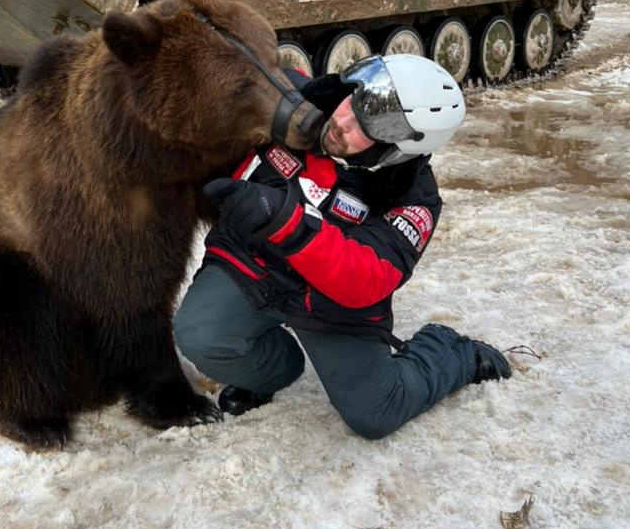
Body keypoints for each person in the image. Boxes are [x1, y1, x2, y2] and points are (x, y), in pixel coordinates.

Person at [173, 53, 511, 440]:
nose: (341, 122)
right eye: (354, 101)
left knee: (375, 415)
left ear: (398, 149)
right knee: (201, 335)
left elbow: (365, 278)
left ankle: (451, 353)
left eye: (368, 127)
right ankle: (274, 370)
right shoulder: (295, 105)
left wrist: (286, 224)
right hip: (253, 264)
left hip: (331, 303)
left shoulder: (413, 199)